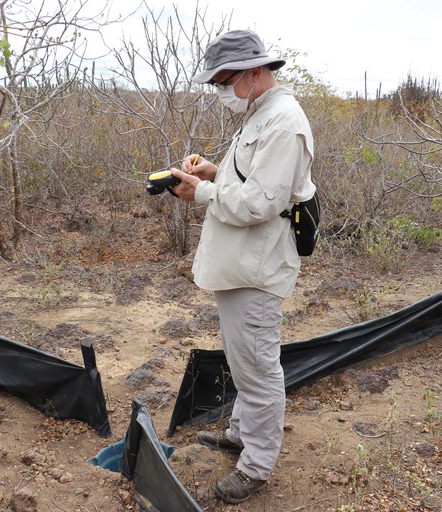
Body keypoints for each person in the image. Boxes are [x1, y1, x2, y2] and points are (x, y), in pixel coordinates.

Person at [169, 29, 316, 504]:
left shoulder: (284, 122)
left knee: (257, 366)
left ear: (256, 72)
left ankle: (256, 466)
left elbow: (262, 201)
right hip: (238, 262)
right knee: (242, 356)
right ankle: (240, 434)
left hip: (258, 265)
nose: (221, 89)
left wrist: (202, 192)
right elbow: (251, 179)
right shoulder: (260, 113)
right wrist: (215, 171)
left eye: (226, 79)